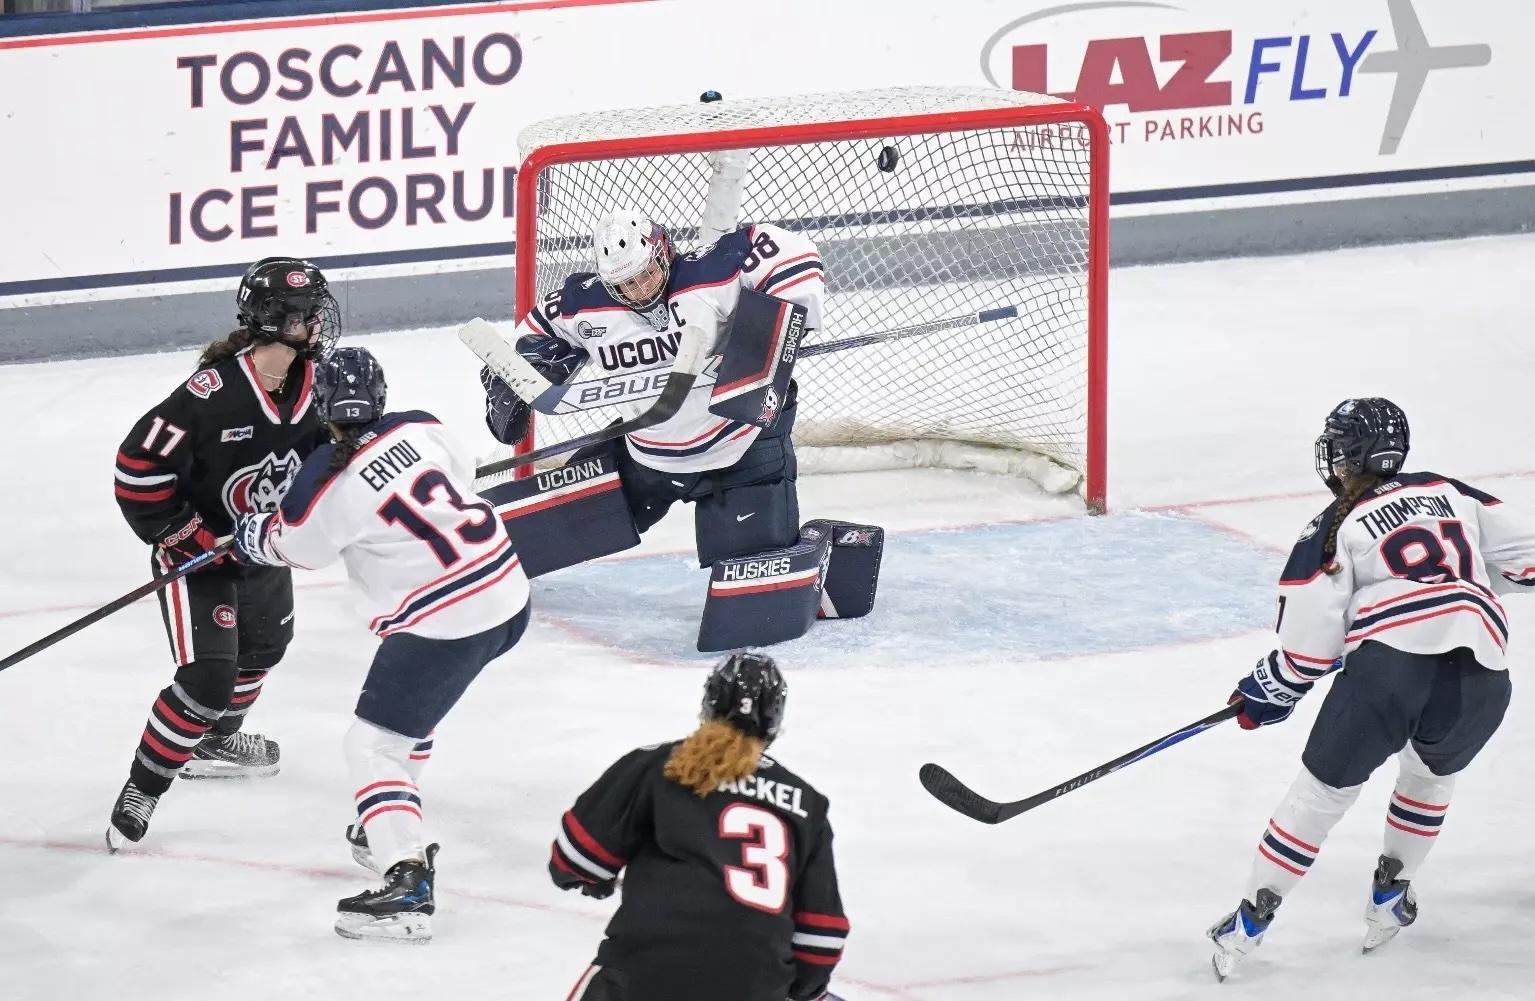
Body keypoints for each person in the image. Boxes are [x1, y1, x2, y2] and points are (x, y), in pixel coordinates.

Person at [1209, 398, 1535, 978]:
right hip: (1484, 675)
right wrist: (1464, 586)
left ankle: (1248, 923)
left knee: (1321, 796)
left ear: (1345, 456)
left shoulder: (1333, 524)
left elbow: (1307, 651)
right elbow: (1526, 561)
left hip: (1388, 672)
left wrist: (1264, 692)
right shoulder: (1451, 491)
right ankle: (1390, 896)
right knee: (1430, 777)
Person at [232, 346, 530, 943]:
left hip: (446, 619)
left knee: (372, 746)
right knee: (408, 722)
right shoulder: (423, 426)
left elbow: (297, 549)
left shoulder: (323, 483)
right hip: (509, 592)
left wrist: (250, 535)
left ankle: (407, 880)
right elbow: (461, 475)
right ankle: (387, 825)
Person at [107, 256, 339, 850]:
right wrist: (185, 535)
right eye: (307, 313)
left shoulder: (321, 383)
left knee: (265, 650)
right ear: (276, 321)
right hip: (198, 556)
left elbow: (336, 456)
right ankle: (144, 787)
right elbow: (138, 467)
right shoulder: (211, 394)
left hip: (261, 548)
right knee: (208, 677)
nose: (319, 322)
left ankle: (214, 738)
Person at [481, 209, 824, 567]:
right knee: (521, 545)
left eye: (646, 273)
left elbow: (793, 254)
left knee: (751, 603)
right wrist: (513, 376)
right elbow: (531, 334)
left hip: (739, 451)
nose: (640, 289)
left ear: (663, 251)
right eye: (626, 284)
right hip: (646, 457)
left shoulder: (712, 271)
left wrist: (772, 330)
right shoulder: (583, 305)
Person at [550, 651, 849, 1001]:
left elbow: (574, 859)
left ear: (708, 704)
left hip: (645, 973)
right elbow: (820, 940)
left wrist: (593, 881)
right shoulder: (806, 801)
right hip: (755, 987)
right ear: (774, 721)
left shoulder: (659, 764)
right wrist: (797, 991)